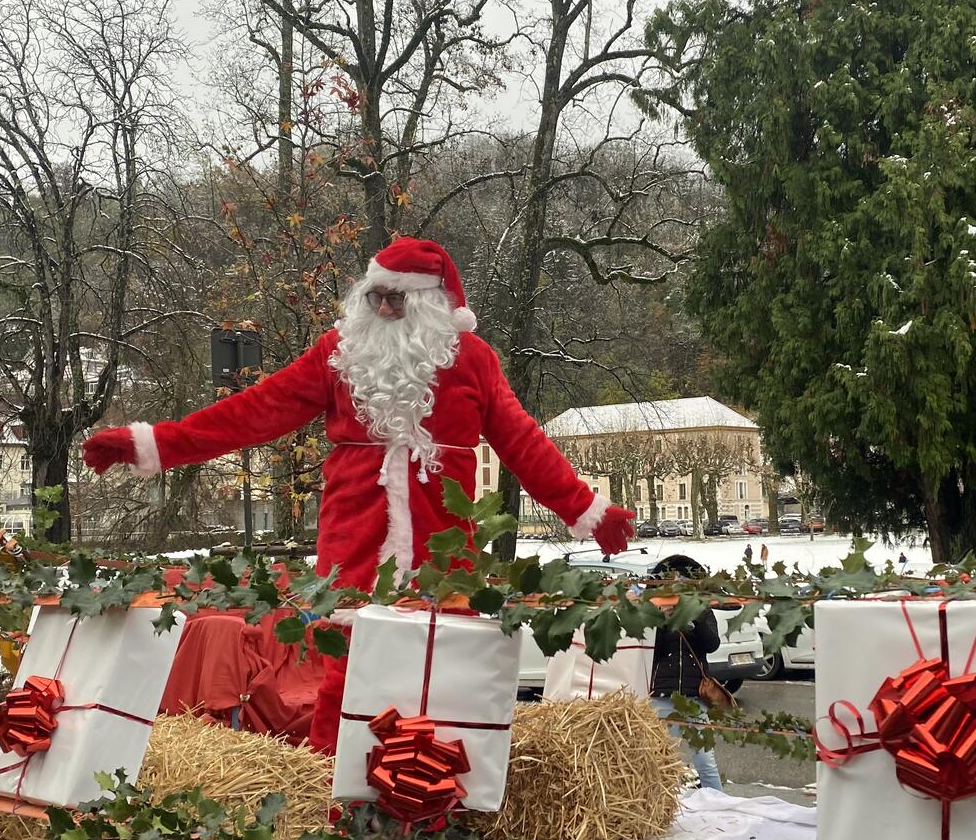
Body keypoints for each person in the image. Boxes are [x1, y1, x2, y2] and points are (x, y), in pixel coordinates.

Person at [81, 237, 635, 752]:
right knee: (347, 675)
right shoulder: (337, 354)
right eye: (375, 299)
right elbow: (253, 413)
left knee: (443, 678)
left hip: (442, 553)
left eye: (397, 300)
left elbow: (523, 442)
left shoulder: (473, 360)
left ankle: (436, 798)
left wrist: (585, 508)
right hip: (353, 543)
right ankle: (337, 801)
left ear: (431, 305)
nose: (384, 311)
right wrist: (153, 444)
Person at [649, 606, 724, 791]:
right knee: (662, 758)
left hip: (695, 696)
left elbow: (712, 644)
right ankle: (661, 803)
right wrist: (662, 620)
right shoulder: (654, 609)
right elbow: (651, 649)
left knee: (705, 758)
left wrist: (695, 616)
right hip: (664, 694)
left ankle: (718, 803)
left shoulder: (702, 608)